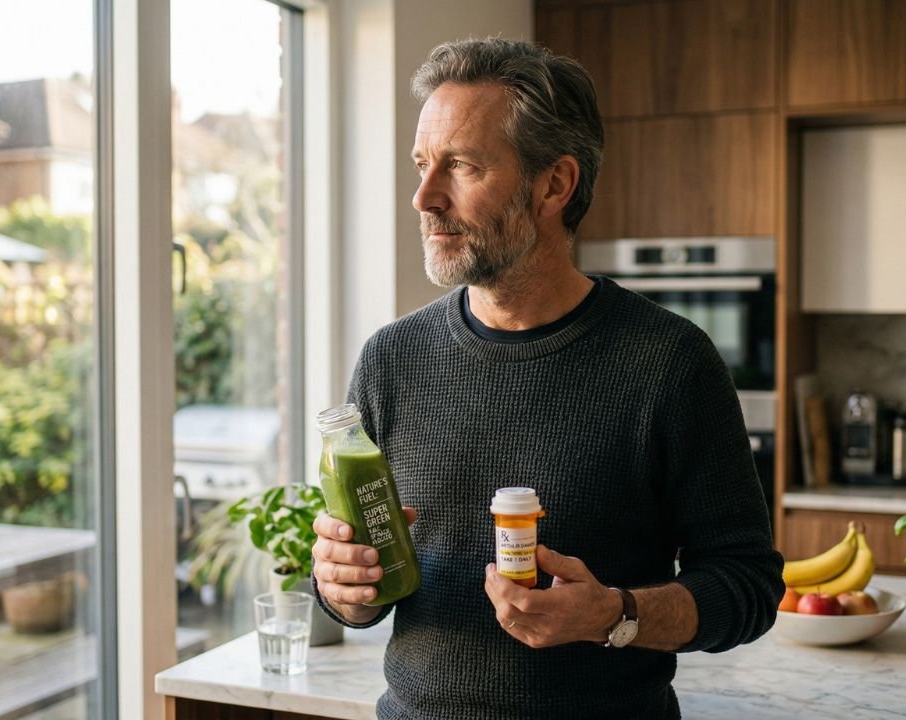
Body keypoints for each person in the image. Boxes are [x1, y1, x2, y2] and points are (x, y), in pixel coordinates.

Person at [311, 37, 783, 719]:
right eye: (421, 165)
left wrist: (614, 615)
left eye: (461, 166)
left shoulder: (669, 363)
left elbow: (748, 585)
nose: (423, 196)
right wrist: (343, 585)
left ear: (554, 185)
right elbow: (352, 589)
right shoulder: (391, 359)